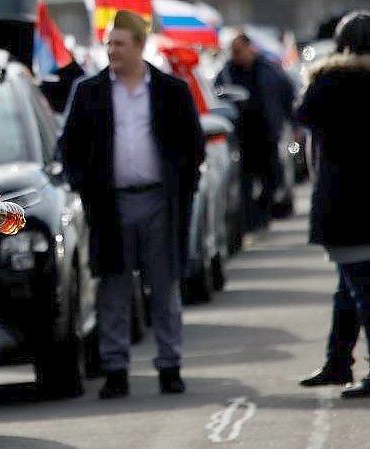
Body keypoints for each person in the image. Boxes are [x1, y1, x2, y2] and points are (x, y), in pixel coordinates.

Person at [59, 10, 204, 398]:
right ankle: (116, 369)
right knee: (113, 289)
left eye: (119, 43)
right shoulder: (89, 91)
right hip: (110, 205)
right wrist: (83, 184)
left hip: (160, 202)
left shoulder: (170, 90)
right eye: (108, 43)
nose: (111, 50)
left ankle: (170, 366)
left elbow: (194, 147)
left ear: (140, 46)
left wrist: (184, 188)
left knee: (164, 287)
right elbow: (69, 145)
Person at [296, 10, 370, 399]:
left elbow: (303, 117)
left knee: (361, 290)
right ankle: (338, 361)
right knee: (350, 288)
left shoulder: (328, 81)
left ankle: (343, 364)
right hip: (361, 207)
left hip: (344, 206)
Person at [216, 32, 295, 232]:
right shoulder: (226, 73)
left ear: (248, 47)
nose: (235, 55)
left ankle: (264, 214)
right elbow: (218, 97)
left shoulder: (268, 68)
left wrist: (292, 123)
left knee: (270, 177)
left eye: (238, 50)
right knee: (245, 181)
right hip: (241, 135)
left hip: (266, 132)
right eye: (232, 51)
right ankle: (251, 221)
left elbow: (287, 94)